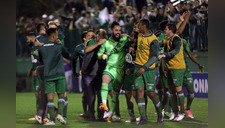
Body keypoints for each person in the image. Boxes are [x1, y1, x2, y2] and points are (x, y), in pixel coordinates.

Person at [97, 21, 129, 123]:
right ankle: (105, 106)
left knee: (115, 94)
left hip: (120, 70)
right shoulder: (106, 42)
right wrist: (103, 56)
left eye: (119, 30)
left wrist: (127, 35)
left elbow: (132, 38)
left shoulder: (124, 39)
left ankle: (115, 114)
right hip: (110, 68)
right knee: (104, 82)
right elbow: (99, 54)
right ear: (111, 31)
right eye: (116, 30)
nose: (118, 32)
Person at [133, 19, 163, 125]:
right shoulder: (140, 35)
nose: (138, 27)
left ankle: (160, 114)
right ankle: (143, 118)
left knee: (151, 93)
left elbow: (155, 57)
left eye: (139, 26)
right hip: (137, 67)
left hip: (148, 69)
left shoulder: (153, 40)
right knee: (140, 92)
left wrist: (144, 67)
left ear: (144, 26)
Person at [38, 28, 70, 125]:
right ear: (53, 35)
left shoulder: (42, 47)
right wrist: (59, 44)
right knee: (61, 95)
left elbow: (41, 60)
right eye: (56, 34)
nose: (58, 35)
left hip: (48, 74)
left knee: (50, 98)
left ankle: (51, 120)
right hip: (59, 73)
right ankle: (60, 114)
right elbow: (67, 55)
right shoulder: (58, 46)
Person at [158, 23, 186, 121]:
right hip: (169, 68)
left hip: (177, 67)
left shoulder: (176, 39)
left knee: (178, 89)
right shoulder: (166, 39)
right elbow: (158, 44)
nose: (164, 30)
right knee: (171, 91)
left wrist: (165, 55)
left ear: (170, 30)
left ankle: (182, 112)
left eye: (165, 29)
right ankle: (175, 112)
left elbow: (176, 51)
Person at [82, 29, 107, 121]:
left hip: (99, 74)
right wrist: (98, 44)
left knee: (101, 96)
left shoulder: (106, 44)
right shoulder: (91, 42)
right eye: (99, 34)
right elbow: (86, 50)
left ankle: (101, 116)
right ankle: (91, 115)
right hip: (89, 73)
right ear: (96, 36)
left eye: (103, 35)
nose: (100, 37)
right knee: (91, 96)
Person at [26, 32, 45, 123]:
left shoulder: (38, 47)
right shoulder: (33, 48)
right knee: (37, 94)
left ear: (32, 37)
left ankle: (41, 114)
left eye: (27, 39)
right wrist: (30, 69)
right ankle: (39, 114)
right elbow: (34, 61)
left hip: (39, 73)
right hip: (34, 73)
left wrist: (37, 69)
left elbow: (43, 59)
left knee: (40, 94)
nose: (27, 41)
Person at [123, 31, 139, 123]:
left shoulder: (139, 49)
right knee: (127, 95)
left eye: (132, 36)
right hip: (126, 75)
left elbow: (140, 63)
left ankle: (142, 115)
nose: (130, 37)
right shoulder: (126, 46)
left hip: (135, 75)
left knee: (136, 96)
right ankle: (132, 116)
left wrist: (132, 69)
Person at [71, 31, 87, 118]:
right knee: (85, 93)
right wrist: (75, 72)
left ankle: (102, 112)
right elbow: (74, 60)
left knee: (98, 92)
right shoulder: (78, 48)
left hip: (96, 72)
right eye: (89, 36)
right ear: (84, 38)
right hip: (84, 73)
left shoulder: (96, 45)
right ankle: (85, 111)